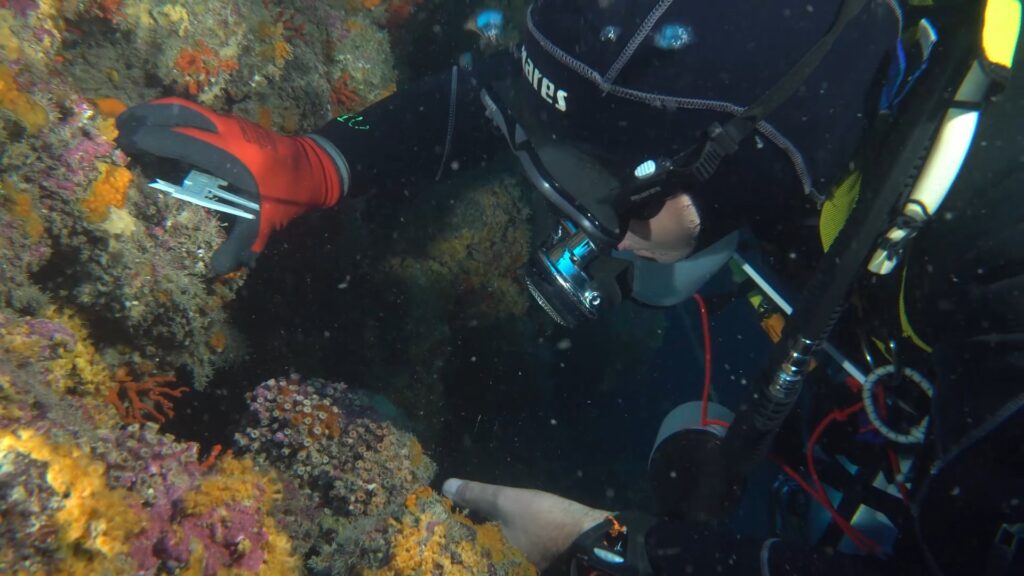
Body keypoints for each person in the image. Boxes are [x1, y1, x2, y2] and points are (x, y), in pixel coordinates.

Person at [116, 0, 1023, 574]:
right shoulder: (812, 114)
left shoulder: (999, 256)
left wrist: (622, 552)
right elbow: (511, 96)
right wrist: (325, 160)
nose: (578, 227)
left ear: (740, 177)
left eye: (606, 196)